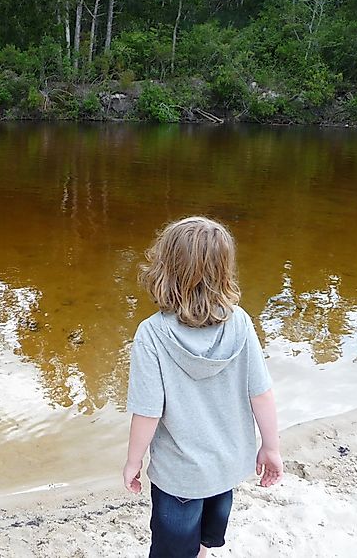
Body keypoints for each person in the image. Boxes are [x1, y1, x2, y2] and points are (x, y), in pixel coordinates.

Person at [123, 216, 283, 558]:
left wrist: (133, 461)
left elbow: (148, 412)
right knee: (203, 543)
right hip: (226, 468)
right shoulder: (239, 322)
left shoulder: (151, 335)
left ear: (164, 269)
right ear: (224, 273)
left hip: (179, 475)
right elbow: (261, 392)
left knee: (171, 550)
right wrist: (271, 447)